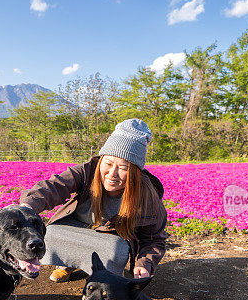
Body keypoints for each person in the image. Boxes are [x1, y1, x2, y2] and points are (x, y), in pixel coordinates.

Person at [19, 119, 168, 282]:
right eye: (108, 163)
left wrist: (144, 263)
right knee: (47, 234)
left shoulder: (147, 195)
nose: (112, 173)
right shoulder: (87, 171)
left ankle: (103, 274)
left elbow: (154, 238)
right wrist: (28, 206)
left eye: (123, 168)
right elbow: (55, 186)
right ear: (101, 160)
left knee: (116, 251)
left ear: (135, 172)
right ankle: (66, 264)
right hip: (74, 227)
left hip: (108, 238)